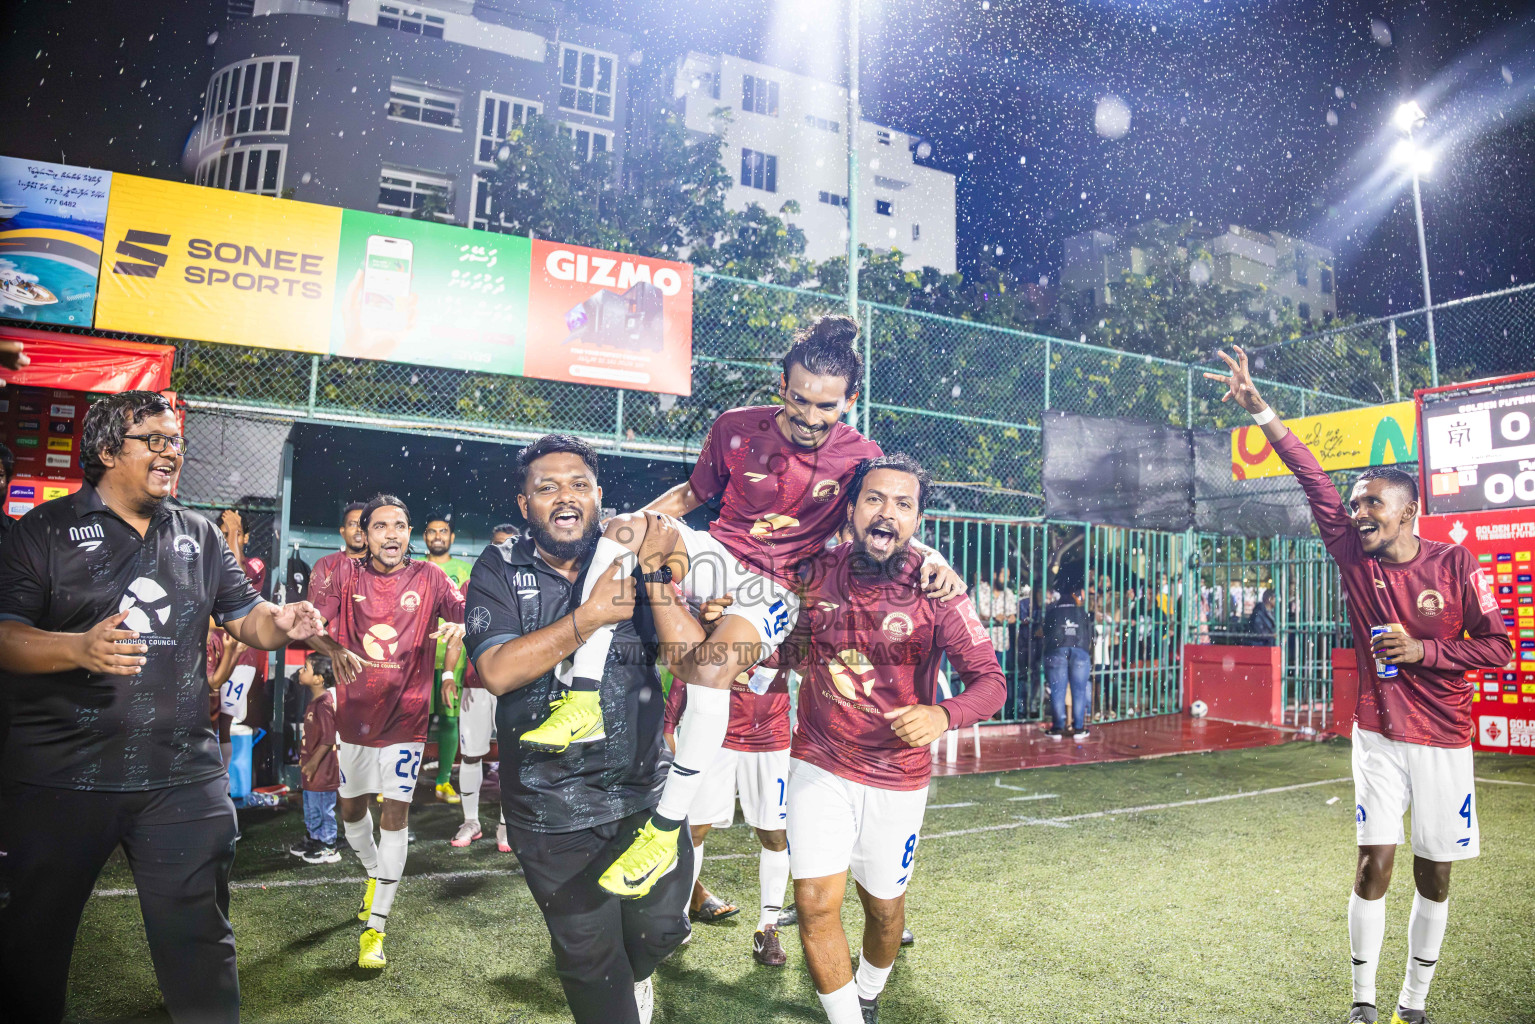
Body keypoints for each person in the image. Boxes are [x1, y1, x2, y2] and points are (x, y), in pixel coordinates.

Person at [546, 316, 966, 899]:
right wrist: (642, 526)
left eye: (826, 406)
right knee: (619, 532)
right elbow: (693, 496)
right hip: (715, 554)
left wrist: (933, 555)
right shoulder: (734, 428)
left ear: (850, 400)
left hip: (774, 586)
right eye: (799, 400)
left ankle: (665, 828)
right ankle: (583, 696)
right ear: (781, 388)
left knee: (711, 673)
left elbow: (880, 518)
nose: (810, 417)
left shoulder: (860, 456)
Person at [0, 390, 325, 1024]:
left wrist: (280, 622)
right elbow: (5, 634)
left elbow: (246, 618)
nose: (170, 452)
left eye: (175, 440)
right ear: (104, 451)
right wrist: (78, 648)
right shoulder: (44, 531)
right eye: (153, 439)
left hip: (179, 776)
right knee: (30, 947)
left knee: (200, 944)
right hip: (62, 777)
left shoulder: (199, 535)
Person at [1208, 347, 1512, 1024]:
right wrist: (1259, 408)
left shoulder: (1456, 563)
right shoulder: (1351, 552)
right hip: (1376, 733)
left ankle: (1414, 1001)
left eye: (1371, 502)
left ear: (1407, 512)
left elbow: (1501, 649)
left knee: (1432, 872)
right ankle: (1363, 1002)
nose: (1356, 511)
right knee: (1372, 863)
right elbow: (1312, 479)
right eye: (1354, 504)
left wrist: (1422, 650)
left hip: (1443, 740)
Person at [766, 453, 1005, 1024]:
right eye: (875, 499)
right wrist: (757, 641)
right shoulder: (816, 572)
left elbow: (991, 681)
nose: (887, 513)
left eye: (903, 504)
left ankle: (869, 989)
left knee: (883, 911)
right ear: (851, 510)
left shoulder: (937, 587)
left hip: (898, 776)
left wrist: (943, 715)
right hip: (820, 761)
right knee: (815, 905)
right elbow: (793, 652)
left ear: (917, 518)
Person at [464, 434, 694, 1024]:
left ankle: (637, 977)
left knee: (664, 930)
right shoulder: (499, 565)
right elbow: (496, 670)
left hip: (646, 794)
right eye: (547, 488)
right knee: (592, 963)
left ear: (599, 496)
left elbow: (691, 659)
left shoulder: (636, 552)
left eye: (578, 485)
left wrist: (662, 585)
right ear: (524, 505)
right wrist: (590, 617)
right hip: (550, 807)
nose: (564, 497)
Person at [307, 493, 466, 970]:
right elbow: (308, 625)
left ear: (408, 533)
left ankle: (375, 928)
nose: (391, 533)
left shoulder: (431, 577)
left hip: (408, 716)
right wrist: (332, 648)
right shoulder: (343, 574)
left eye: (400, 525)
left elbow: (464, 617)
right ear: (366, 534)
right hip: (355, 715)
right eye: (381, 526)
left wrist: (461, 633)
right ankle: (376, 873)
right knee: (351, 809)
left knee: (395, 813)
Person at [663, 662, 793, 966]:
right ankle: (677, 920)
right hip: (714, 730)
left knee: (774, 836)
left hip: (770, 737)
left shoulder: (788, 615)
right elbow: (692, 657)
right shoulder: (715, 613)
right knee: (693, 830)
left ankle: (768, 928)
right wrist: (669, 721)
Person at [423, 515, 474, 808]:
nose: (438, 536)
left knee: (450, 718)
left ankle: (443, 779)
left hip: (452, 654)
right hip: (419, 655)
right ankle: (398, 779)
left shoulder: (464, 571)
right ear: (425, 537)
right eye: (432, 532)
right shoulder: (416, 569)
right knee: (415, 719)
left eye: (443, 532)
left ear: (452, 538)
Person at [289, 653, 342, 864]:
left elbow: (328, 739)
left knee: (322, 806)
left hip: (322, 769)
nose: (301, 671)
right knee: (311, 805)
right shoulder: (315, 702)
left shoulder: (324, 704)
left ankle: (329, 844)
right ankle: (314, 838)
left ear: (319, 678)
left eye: (305, 668)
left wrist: (312, 762)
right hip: (312, 769)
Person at [1043, 583, 1093, 740]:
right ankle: (1078, 728)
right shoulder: (1082, 612)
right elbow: (1089, 635)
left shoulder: (1052, 611)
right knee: (1079, 690)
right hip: (1080, 650)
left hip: (1056, 650)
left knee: (1058, 690)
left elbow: (1045, 632)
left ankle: (1058, 727)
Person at [974, 564, 1019, 711]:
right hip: (983, 644)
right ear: (994, 574)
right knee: (984, 680)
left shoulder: (1008, 593)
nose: (1006, 579)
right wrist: (993, 618)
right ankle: (983, 711)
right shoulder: (979, 591)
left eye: (1008, 576)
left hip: (1002, 643)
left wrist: (1011, 617)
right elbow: (972, 616)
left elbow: (1012, 615)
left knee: (1001, 679)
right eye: (1003, 575)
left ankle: (1000, 712)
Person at [312, 501, 368, 593]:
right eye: (353, 524)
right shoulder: (325, 564)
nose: (359, 529)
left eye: (363, 525)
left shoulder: (381, 566)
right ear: (343, 532)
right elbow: (314, 605)